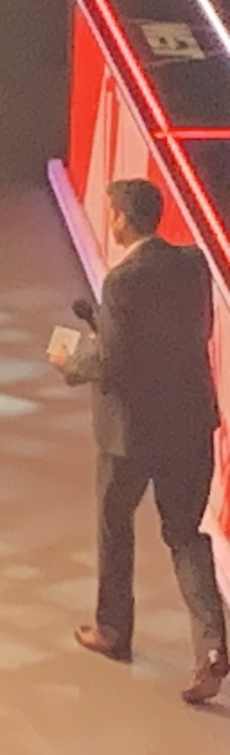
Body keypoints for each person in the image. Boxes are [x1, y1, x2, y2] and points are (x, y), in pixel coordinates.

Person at [51, 179, 229, 706]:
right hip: (189, 424)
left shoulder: (122, 282)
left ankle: (112, 630)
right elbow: (196, 332)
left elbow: (114, 362)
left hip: (130, 433)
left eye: (111, 212)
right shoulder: (193, 264)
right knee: (185, 535)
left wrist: (70, 363)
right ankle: (212, 647)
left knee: (115, 523)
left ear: (123, 219)